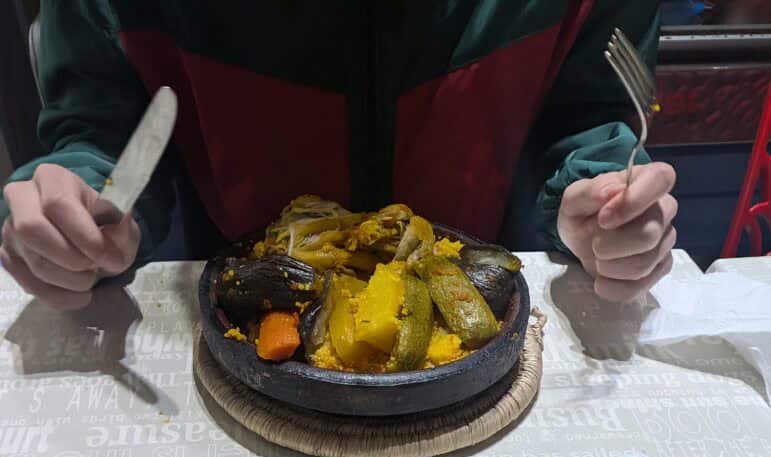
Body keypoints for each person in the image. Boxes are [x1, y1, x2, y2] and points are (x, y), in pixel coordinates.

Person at [0, 2, 678, 311]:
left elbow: (588, 116)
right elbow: (103, 131)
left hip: (480, 315)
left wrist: (594, 198)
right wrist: (83, 208)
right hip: (241, 320)